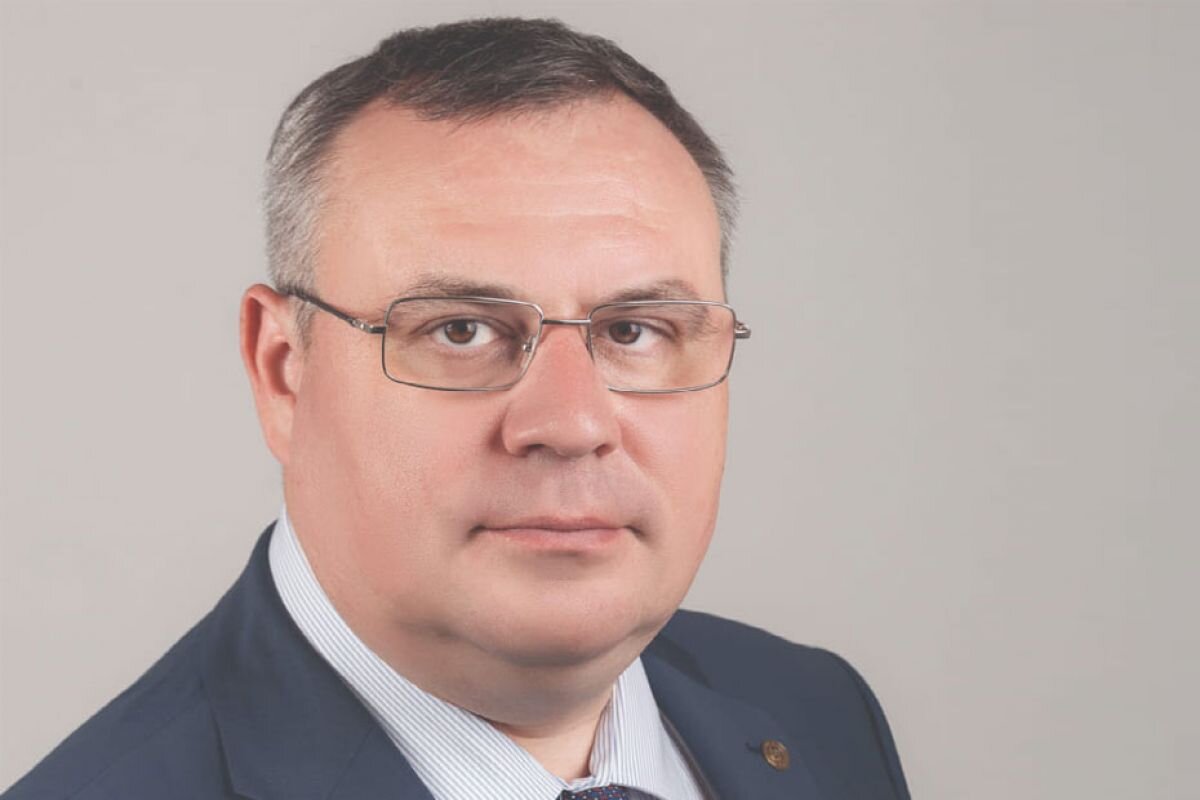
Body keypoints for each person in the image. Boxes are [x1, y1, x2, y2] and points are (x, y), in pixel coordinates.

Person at [4, 17, 909, 800]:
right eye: (462, 330)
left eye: (635, 331)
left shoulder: (818, 713)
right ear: (284, 372)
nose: (573, 424)